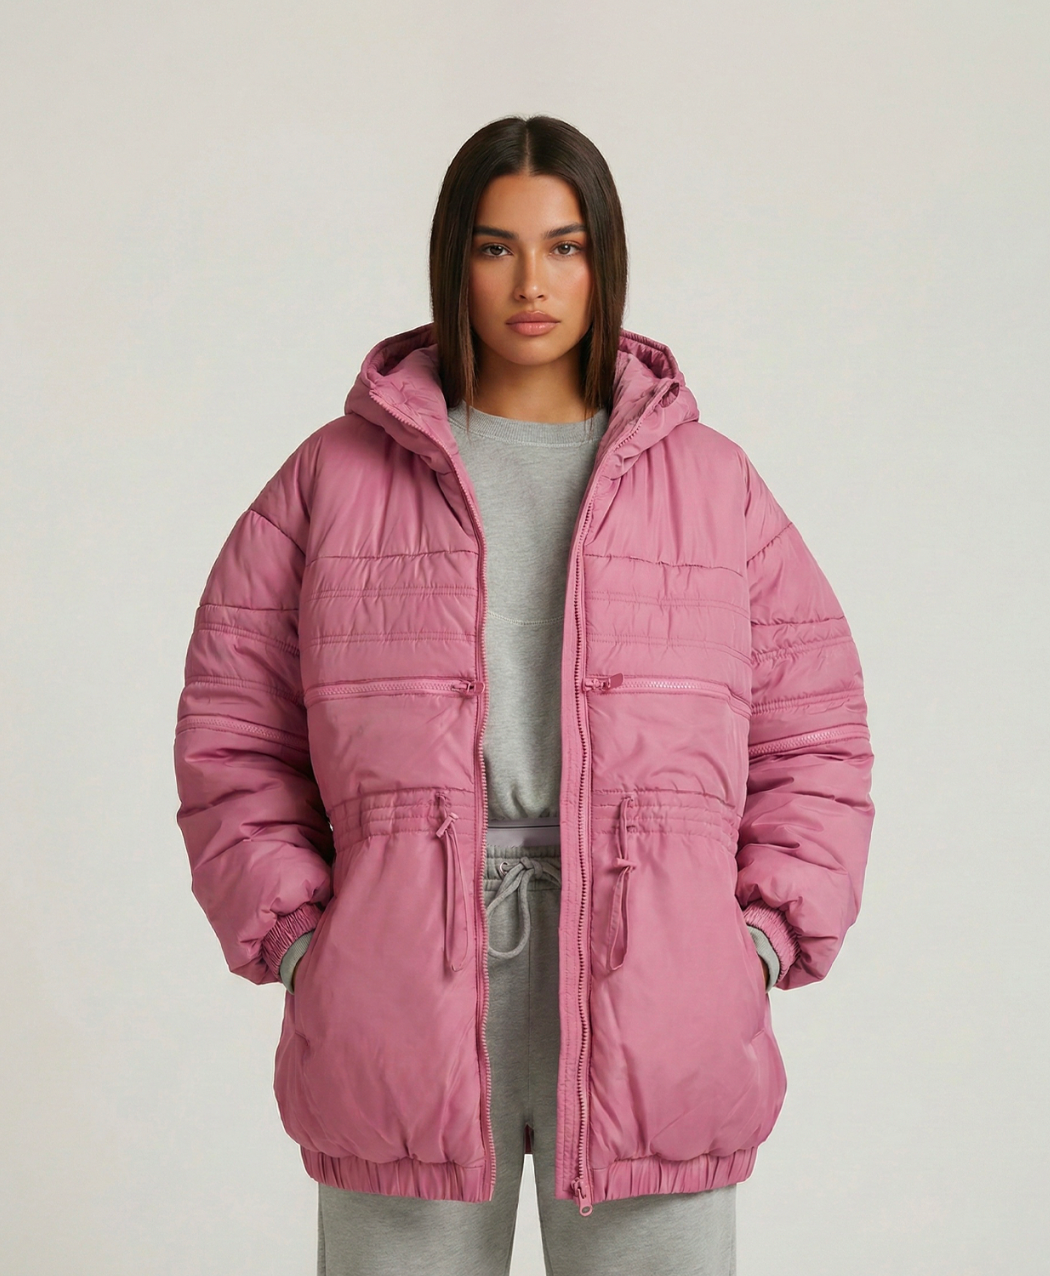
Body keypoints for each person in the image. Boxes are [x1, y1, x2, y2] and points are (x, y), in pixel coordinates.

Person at [174, 115, 875, 1276]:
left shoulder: (714, 488)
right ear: (454, 261)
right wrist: (301, 941)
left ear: (606, 261)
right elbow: (232, 734)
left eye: (564, 246)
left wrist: (753, 941)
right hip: (403, 987)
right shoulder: (332, 481)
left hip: (660, 989)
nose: (532, 283)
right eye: (496, 248)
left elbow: (819, 738)